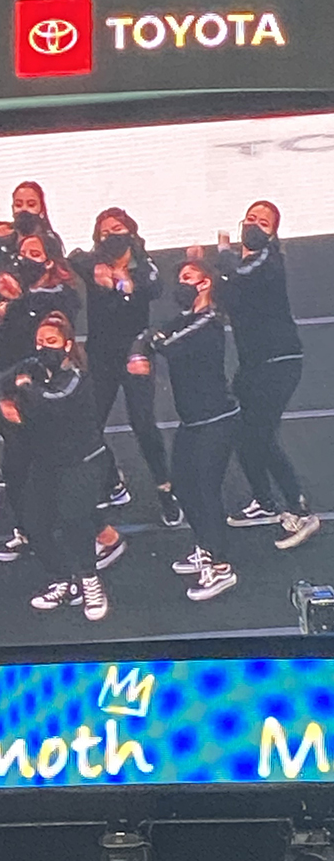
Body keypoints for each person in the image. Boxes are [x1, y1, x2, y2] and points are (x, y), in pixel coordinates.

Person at [0, 312, 124, 622]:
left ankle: (91, 581)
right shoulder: (33, 369)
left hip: (81, 462)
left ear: (66, 345)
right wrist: (5, 401)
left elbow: (53, 400)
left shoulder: (76, 376)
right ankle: (65, 578)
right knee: (34, 522)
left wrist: (23, 391)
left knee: (74, 520)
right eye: (39, 342)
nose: (42, 348)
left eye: (50, 342)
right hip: (46, 460)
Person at [128, 261, 240, 601]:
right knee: (184, 486)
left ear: (205, 284)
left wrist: (146, 348)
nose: (182, 285)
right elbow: (148, 334)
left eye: (188, 279)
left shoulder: (207, 321)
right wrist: (143, 345)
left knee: (205, 490)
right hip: (192, 422)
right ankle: (205, 546)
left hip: (215, 420)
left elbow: (164, 342)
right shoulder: (185, 320)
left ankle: (220, 566)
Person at [215, 200, 320, 548]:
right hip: (253, 364)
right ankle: (264, 500)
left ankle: (300, 510)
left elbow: (239, 274)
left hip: (279, 361)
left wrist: (223, 252)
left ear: (273, 232)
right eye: (251, 218)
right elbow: (226, 299)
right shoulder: (244, 265)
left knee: (259, 435)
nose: (255, 225)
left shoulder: (267, 260)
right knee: (243, 435)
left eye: (264, 222)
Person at [69, 207, 182, 527]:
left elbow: (152, 286)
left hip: (135, 355)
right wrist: (98, 270)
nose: (111, 236)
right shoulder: (93, 263)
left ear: (131, 232)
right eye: (104, 232)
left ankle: (165, 489)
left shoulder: (144, 266)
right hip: (101, 357)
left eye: (117, 228)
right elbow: (75, 257)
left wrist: (122, 282)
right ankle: (112, 482)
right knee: (89, 426)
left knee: (144, 425)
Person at [0, 233, 81, 564]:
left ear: (50, 260)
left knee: (47, 470)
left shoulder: (57, 295)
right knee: (16, 467)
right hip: (15, 390)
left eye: (34, 253)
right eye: (22, 252)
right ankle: (27, 530)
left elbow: (50, 307)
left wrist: (16, 302)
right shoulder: (18, 300)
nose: (25, 259)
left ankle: (97, 535)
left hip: (43, 396)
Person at [0, 180, 65, 273]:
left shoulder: (49, 241)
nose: (24, 209)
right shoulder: (5, 232)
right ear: (12, 208)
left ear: (41, 209)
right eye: (18, 205)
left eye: (31, 205)